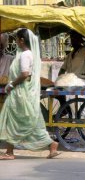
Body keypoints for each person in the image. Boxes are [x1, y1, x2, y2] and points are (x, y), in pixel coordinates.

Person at [0, 28, 60, 160]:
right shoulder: (28, 54)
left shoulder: (25, 55)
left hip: (20, 93)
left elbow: (25, 74)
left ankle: (10, 152)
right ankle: (52, 145)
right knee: (26, 122)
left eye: (16, 39)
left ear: (22, 40)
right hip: (22, 92)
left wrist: (11, 84)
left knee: (13, 121)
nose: (15, 42)